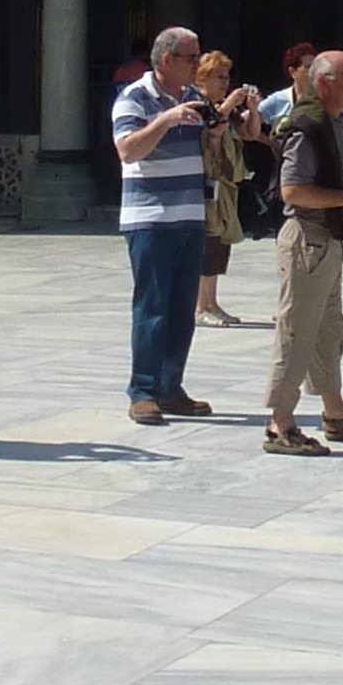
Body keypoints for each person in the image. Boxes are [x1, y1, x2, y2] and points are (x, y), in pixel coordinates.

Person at [266, 48, 343, 454]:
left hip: (328, 242)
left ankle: (335, 413)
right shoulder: (307, 125)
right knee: (297, 331)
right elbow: (293, 190)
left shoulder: (335, 122)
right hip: (308, 241)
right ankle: (280, 425)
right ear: (324, 83)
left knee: (328, 331)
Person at [114, 25, 240, 423]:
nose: (197, 65)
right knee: (152, 307)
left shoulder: (193, 99)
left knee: (182, 307)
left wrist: (217, 132)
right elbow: (128, 150)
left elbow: (210, 153)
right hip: (150, 220)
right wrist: (166, 120)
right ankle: (143, 390)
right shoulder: (133, 97)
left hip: (189, 216)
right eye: (191, 58)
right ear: (166, 60)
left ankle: (171, 386)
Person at [195, 50, 254, 329]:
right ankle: (199, 305)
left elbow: (251, 133)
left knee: (221, 243)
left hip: (226, 187)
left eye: (227, 77)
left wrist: (252, 109)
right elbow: (210, 129)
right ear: (202, 78)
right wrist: (228, 106)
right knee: (207, 244)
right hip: (205, 186)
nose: (224, 83)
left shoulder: (225, 111)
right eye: (218, 77)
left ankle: (212, 301)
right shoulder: (199, 106)